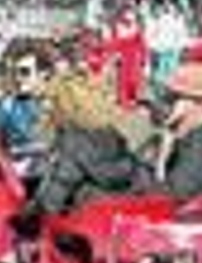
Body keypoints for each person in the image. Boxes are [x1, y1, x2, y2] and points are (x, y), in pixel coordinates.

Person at [28, 71, 146, 217]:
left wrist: (31, 213)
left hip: (91, 217)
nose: (42, 108)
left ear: (61, 105)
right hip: (125, 210)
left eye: (46, 100)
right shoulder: (107, 130)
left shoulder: (72, 141)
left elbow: (56, 191)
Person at [148, 61, 202, 206]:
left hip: (173, 216)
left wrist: (161, 160)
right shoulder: (182, 130)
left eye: (172, 98)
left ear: (196, 103)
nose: (165, 104)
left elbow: (173, 195)